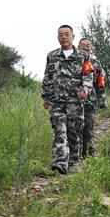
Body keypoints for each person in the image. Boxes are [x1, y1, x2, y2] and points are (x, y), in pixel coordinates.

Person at [41, 25, 95, 174]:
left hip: (75, 102)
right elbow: (47, 77)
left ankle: (73, 163)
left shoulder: (83, 56)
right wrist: (45, 96)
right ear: (57, 37)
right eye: (60, 35)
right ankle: (59, 163)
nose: (64, 37)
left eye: (66, 34)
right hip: (56, 101)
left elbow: (88, 76)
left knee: (74, 132)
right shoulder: (52, 56)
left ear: (73, 36)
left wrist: (85, 89)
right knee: (59, 131)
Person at [78, 38, 107, 159]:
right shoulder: (73, 60)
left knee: (88, 128)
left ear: (91, 47)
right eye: (83, 45)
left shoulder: (96, 63)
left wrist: (102, 101)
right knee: (73, 128)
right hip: (72, 100)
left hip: (89, 100)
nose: (85, 47)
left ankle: (89, 154)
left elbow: (100, 83)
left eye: (88, 45)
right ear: (78, 46)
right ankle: (73, 154)